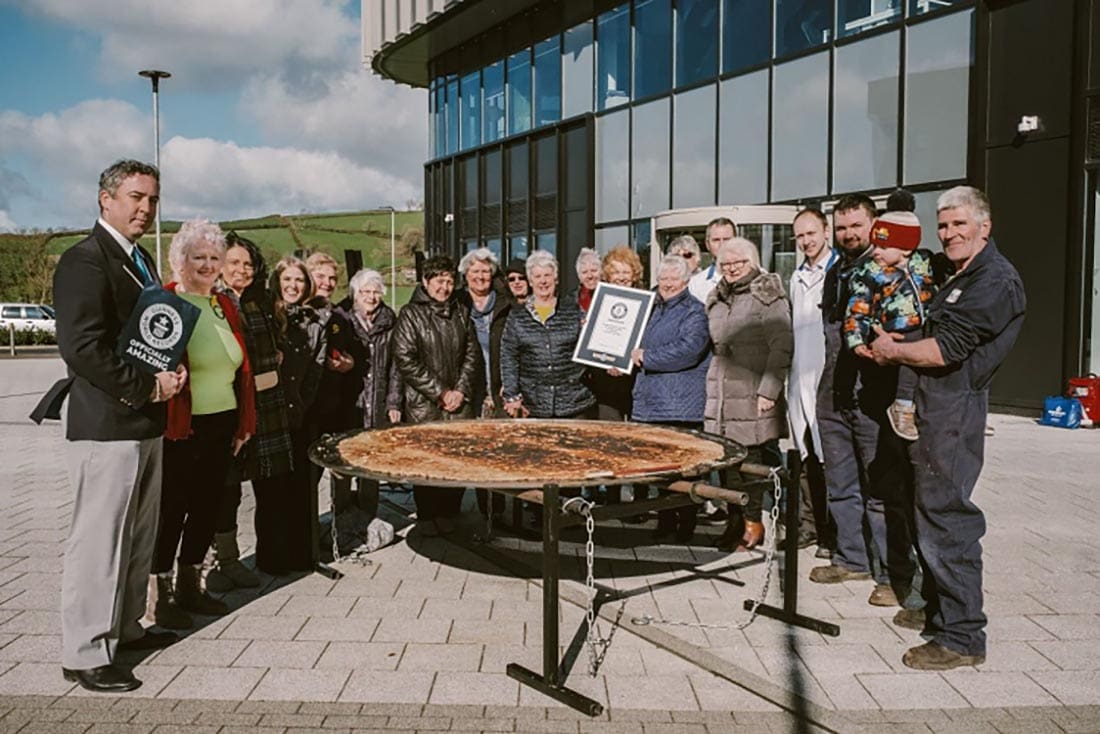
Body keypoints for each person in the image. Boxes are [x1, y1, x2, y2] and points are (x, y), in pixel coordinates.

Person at [871, 186, 1025, 670]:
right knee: (928, 513)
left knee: (947, 519)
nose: (950, 234)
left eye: (960, 224)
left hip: (955, 409)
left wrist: (892, 350)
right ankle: (941, 614)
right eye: (943, 226)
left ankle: (962, 637)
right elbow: (931, 329)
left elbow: (945, 349)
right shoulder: (958, 274)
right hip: (932, 404)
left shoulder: (994, 281)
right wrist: (901, 335)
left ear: (985, 226)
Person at [47, 159, 185, 692]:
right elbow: (81, 347)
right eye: (135, 197)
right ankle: (84, 651)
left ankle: (124, 629)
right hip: (106, 424)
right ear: (105, 199)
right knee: (99, 540)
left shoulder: (140, 259)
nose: (145, 208)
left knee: (136, 536)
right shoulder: (84, 261)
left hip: (144, 422)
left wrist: (168, 369)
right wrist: (149, 386)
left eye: (152, 199)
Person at [811, 194, 916, 610]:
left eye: (856, 225)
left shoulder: (891, 269)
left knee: (882, 488)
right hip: (834, 389)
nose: (848, 234)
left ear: (875, 226)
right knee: (840, 482)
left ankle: (894, 575)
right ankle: (851, 558)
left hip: (874, 393)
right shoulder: (837, 270)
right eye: (842, 227)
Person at [152, 220, 256, 630]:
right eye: (200, 258)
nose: (209, 265)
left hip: (223, 422)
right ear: (181, 260)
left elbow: (240, 370)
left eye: (215, 258)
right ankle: (159, 594)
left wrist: (243, 423)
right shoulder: (166, 301)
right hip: (182, 426)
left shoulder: (223, 305)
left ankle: (192, 585)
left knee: (207, 507)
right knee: (173, 509)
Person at [206, 233, 293, 592]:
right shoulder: (212, 301)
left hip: (266, 405)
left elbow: (276, 345)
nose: (242, 269)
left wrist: (278, 357)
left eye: (248, 264)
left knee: (269, 485)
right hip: (226, 407)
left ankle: (270, 554)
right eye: (234, 262)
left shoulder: (262, 301)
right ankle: (221, 561)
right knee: (225, 490)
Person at [704, 238, 793, 552]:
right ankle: (734, 523)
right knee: (728, 462)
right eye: (725, 264)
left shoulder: (766, 295)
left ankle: (754, 523)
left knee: (751, 461)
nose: (730, 269)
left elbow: (782, 344)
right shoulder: (716, 297)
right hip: (723, 391)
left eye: (738, 263)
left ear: (753, 262)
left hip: (752, 389)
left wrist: (769, 389)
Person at [392, 255, 479, 536]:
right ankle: (429, 515)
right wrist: (440, 393)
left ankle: (450, 511)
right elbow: (406, 359)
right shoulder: (410, 314)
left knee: (458, 459)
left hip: (458, 402)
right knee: (427, 461)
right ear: (425, 282)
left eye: (450, 281)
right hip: (425, 404)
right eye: (439, 281)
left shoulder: (461, 312)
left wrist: (461, 390)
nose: (445, 287)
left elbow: (472, 354)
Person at [631, 255, 711, 543]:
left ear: (686, 281)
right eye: (662, 278)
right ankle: (665, 523)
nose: (666, 284)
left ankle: (685, 525)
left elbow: (689, 350)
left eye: (672, 279)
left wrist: (646, 357)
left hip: (680, 404)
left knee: (685, 470)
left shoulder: (695, 312)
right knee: (661, 471)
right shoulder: (651, 307)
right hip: (651, 402)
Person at [845, 210, 938, 441]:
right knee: (909, 359)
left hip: (928, 326)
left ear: (906, 248)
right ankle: (903, 405)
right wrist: (856, 339)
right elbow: (857, 308)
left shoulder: (925, 262)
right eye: (875, 245)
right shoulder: (870, 272)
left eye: (884, 247)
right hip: (897, 330)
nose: (876, 251)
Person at [327, 268, 402, 518]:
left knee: (372, 460)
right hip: (348, 402)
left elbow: (396, 366)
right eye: (365, 291)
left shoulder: (390, 321)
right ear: (355, 294)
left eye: (376, 291)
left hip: (378, 400)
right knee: (343, 459)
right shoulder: (341, 319)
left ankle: (368, 515)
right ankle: (341, 515)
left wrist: (393, 402)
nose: (371, 297)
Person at [268, 256, 324, 573]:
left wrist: (302, 403)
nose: (293, 286)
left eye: (299, 280)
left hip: (300, 413)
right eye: (287, 280)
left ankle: (300, 554)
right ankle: (273, 557)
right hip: (271, 416)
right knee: (274, 492)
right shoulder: (267, 317)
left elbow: (315, 372)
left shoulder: (314, 322)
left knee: (300, 489)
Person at [788, 208, 838, 559]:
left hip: (825, 376)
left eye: (811, 233)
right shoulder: (796, 276)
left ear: (826, 231)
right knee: (803, 454)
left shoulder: (837, 272)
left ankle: (834, 533)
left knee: (831, 457)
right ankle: (809, 524)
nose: (806, 241)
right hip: (798, 376)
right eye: (800, 236)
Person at [501, 250, 596, 420]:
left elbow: (591, 345)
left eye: (547, 275)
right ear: (530, 281)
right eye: (537, 277)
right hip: (534, 405)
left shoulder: (573, 310)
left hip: (575, 402)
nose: (543, 281)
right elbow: (509, 357)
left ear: (556, 278)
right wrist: (511, 394)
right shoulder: (517, 317)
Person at [457, 248, 511, 517]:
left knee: (499, 452)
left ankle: (499, 513)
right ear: (465, 274)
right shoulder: (456, 304)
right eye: (475, 271)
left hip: (499, 388)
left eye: (485, 271)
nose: (480, 276)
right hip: (469, 389)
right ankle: (485, 513)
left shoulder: (505, 304)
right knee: (476, 452)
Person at [688, 217, 737, 303]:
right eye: (716, 240)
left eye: (727, 239)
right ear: (707, 244)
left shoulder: (756, 276)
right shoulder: (696, 284)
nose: (722, 244)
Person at [573, 247, 602, 313]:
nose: (590, 276)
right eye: (584, 272)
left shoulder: (611, 294)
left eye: (594, 270)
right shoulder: (570, 301)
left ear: (601, 272)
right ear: (579, 276)